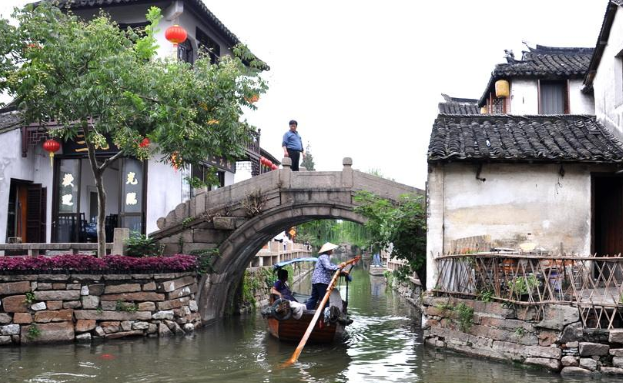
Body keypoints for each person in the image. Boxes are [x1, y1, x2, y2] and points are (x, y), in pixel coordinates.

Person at [306, 242, 348, 310]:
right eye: (331, 249)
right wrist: (339, 267)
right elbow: (328, 267)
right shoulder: (324, 257)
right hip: (321, 281)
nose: (332, 250)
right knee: (325, 299)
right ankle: (326, 315)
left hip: (316, 281)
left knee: (314, 298)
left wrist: (340, 268)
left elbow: (332, 265)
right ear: (328, 250)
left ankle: (307, 311)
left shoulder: (324, 257)